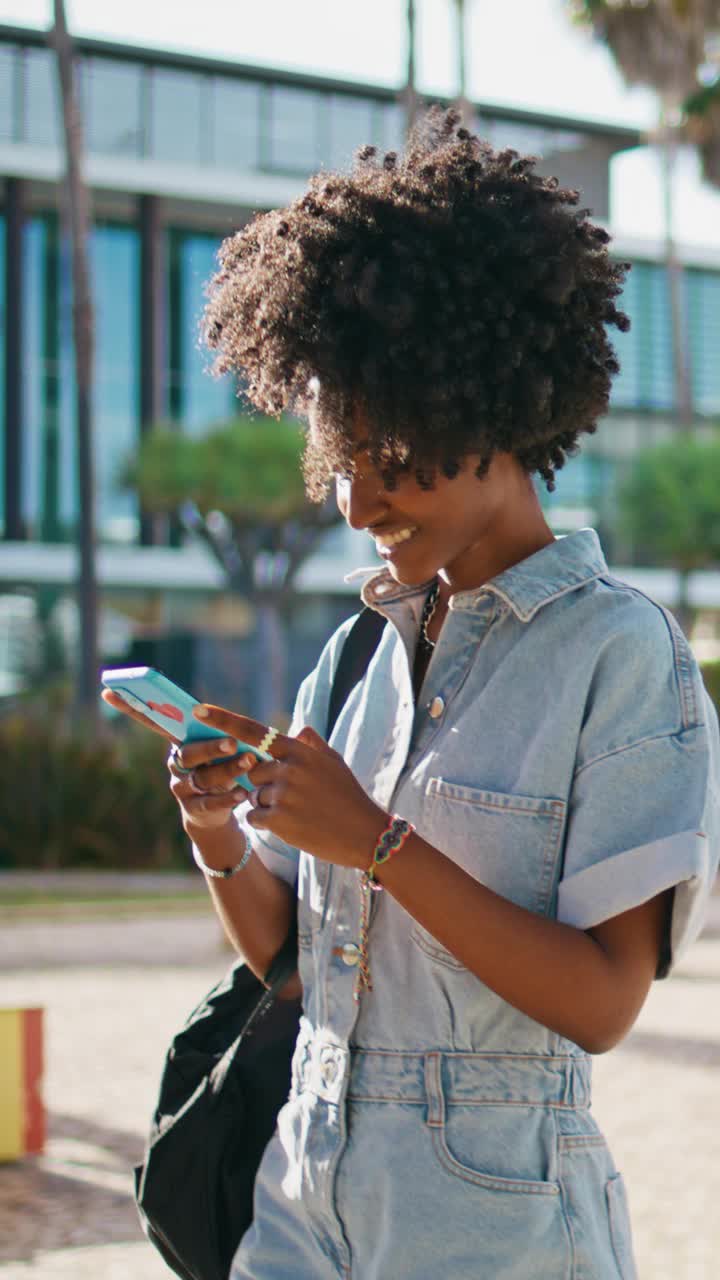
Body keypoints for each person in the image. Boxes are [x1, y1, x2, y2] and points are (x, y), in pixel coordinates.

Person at [105, 109, 719, 1279]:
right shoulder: (354, 658)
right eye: (341, 457)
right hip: (300, 1195)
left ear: (493, 411)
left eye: (393, 453)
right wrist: (218, 836)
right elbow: (290, 959)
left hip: (493, 1224)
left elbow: (601, 1001)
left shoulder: (621, 656)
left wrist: (373, 838)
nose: (356, 499)